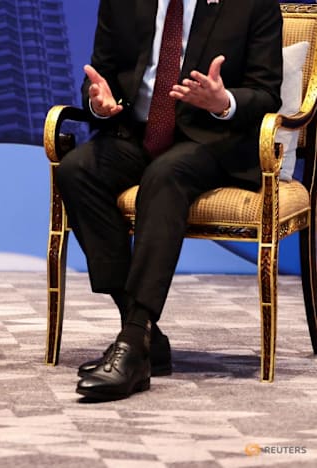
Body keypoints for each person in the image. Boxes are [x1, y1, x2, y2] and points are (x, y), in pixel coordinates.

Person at [57, 0, 282, 401]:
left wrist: (224, 102)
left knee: (165, 176)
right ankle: (143, 338)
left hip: (212, 141)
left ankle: (132, 342)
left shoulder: (251, 4)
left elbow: (266, 95)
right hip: (136, 135)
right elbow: (100, 79)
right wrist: (99, 105)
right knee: (76, 169)